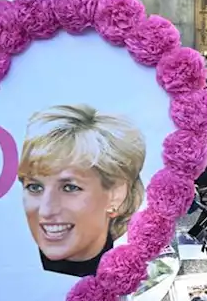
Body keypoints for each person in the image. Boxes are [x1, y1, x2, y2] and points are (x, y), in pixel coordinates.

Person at [18, 104, 146, 277]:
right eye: (35, 187)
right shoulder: (0, 274)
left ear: (116, 196)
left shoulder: (147, 277)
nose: (46, 210)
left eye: (69, 188)